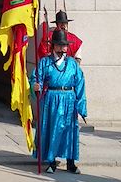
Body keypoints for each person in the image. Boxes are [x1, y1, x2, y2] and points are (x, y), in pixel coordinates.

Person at [31, 29, 87, 174]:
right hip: (51, 99)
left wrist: (81, 106)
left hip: (69, 98)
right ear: (53, 46)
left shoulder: (73, 64)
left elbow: (80, 83)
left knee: (69, 131)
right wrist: (36, 86)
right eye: (59, 45)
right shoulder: (45, 62)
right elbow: (36, 78)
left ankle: (71, 163)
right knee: (52, 130)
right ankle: (51, 162)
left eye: (64, 46)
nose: (62, 48)